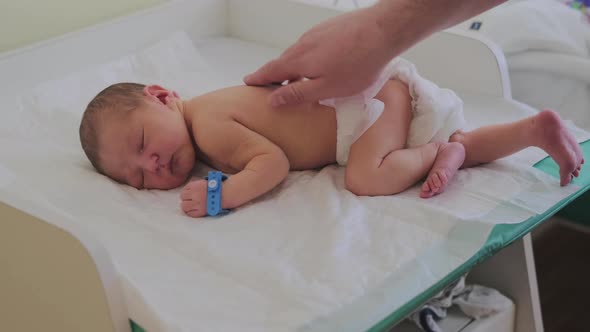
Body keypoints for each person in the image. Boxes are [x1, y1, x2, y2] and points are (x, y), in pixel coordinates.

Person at [79, 60, 583, 218]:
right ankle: (531, 131)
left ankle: (437, 151)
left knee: (365, 178)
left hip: (365, 108)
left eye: (143, 142)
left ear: (165, 95)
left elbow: (271, 164)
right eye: (137, 177)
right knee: (465, 143)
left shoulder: (207, 123)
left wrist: (223, 195)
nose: (152, 164)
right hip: (367, 108)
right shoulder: (204, 126)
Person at [244, 0, 508, 107]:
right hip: (375, 93)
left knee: (366, 178)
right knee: (458, 145)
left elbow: (270, 162)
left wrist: (380, 29)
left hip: (377, 102)